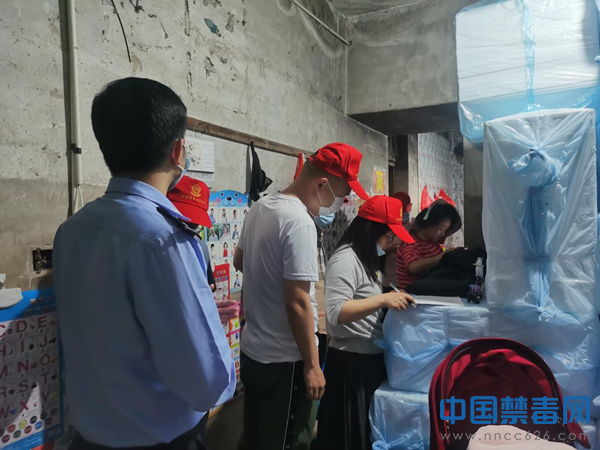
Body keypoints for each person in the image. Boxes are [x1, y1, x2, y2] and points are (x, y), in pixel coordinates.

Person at [53, 78, 235, 450]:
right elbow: (207, 384)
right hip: (161, 441)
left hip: (88, 439)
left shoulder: (71, 230)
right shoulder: (165, 239)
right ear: (178, 151)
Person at [234, 143, 370, 450]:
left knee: (255, 435)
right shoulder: (298, 221)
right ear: (322, 185)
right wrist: (312, 365)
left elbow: (239, 261)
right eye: (341, 195)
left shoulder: (261, 207)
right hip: (286, 360)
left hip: (253, 350)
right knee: (289, 440)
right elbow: (297, 301)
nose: (339, 204)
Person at [316, 196, 415, 450]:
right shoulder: (346, 259)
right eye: (389, 237)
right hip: (350, 365)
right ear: (371, 230)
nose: (392, 244)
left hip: (369, 359)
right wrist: (383, 299)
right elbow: (336, 312)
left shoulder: (366, 258)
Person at [168, 176, 239, 324]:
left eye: (194, 225)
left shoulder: (201, 247)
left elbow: (209, 286)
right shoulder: (154, 247)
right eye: (182, 222)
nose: (188, 232)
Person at [396, 199, 462, 290]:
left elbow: (457, 225)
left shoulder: (432, 240)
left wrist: (448, 208)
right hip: (412, 293)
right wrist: (442, 256)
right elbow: (413, 267)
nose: (443, 234)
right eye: (441, 229)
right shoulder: (411, 242)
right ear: (430, 223)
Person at [381, 191, 412, 290]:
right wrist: (387, 249)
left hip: (406, 282)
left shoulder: (414, 228)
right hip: (388, 281)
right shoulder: (383, 228)